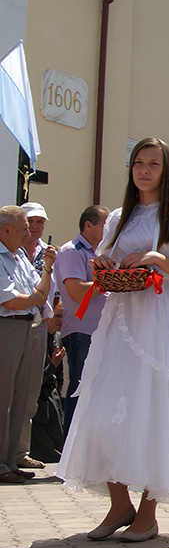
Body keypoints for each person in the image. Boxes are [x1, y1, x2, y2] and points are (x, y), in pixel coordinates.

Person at [56, 137, 169, 542]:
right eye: (138, 163)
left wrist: (160, 260)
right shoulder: (117, 218)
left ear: (167, 171)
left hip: (160, 319)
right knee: (103, 407)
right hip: (120, 318)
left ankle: (148, 512)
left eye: (153, 164)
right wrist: (104, 262)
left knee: (154, 408)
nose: (144, 170)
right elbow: (102, 262)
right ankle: (119, 503)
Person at [0, 205, 57, 483]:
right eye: (23, 228)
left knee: (22, 396)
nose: (28, 233)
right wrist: (34, 298)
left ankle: (10, 460)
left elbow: (41, 292)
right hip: (7, 327)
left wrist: (47, 268)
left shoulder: (19, 256)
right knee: (3, 397)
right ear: (6, 229)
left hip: (26, 326)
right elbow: (11, 300)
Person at [53, 205, 109, 434]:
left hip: (98, 332)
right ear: (89, 225)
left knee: (95, 395)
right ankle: (69, 457)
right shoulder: (71, 251)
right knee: (79, 392)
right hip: (82, 332)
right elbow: (76, 292)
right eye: (105, 225)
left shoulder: (98, 254)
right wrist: (110, 281)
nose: (109, 230)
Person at [15, 201, 52, 470]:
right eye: (32, 222)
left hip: (39, 322)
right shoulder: (10, 251)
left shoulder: (46, 253)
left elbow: (52, 291)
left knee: (30, 390)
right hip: (13, 321)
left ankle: (19, 451)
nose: (36, 227)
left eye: (41, 222)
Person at [31, 294, 66, 463]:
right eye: (57, 316)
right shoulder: (37, 338)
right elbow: (34, 380)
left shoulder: (57, 338)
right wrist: (53, 364)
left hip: (52, 398)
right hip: (39, 398)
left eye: (63, 316)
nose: (60, 320)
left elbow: (60, 378)